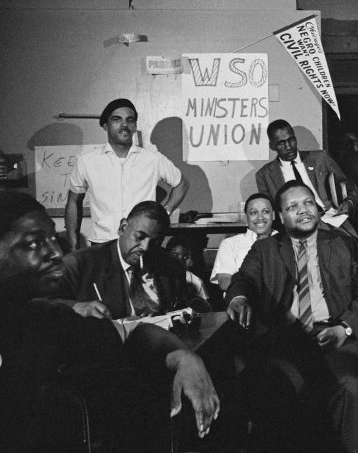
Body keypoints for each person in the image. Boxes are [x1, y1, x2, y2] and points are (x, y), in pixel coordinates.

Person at [0, 191, 219, 452]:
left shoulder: (45, 321)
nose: (56, 252)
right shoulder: (83, 264)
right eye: (34, 243)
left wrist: (184, 358)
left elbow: (133, 333)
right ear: (123, 227)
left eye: (53, 238)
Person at [226, 180, 358, 453]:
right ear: (280, 217)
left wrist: (345, 329)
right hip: (284, 341)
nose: (303, 210)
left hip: (335, 338)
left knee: (350, 385)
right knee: (279, 386)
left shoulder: (343, 244)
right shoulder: (265, 249)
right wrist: (239, 297)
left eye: (308, 203)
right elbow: (243, 279)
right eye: (293, 207)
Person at [65, 98, 189, 249]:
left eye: (130, 120)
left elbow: (181, 183)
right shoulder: (87, 161)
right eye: (117, 119)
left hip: (142, 242)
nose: (124, 125)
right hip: (103, 243)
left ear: (135, 126)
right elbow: (73, 202)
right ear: (105, 125)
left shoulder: (153, 159)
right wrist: (73, 244)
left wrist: (164, 213)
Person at [54, 201, 190, 319]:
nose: (146, 247)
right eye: (140, 237)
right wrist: (76, 307)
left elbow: (181, 311)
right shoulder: (79, 264)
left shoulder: (172, 267)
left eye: (155, 242)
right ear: (123, 227)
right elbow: (43, 304)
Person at [255, 119, 358, 221]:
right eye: (281, 143)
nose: (289, 147)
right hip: (296, 226)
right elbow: (269, 210)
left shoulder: (320, 158)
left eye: (291, 140)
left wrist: (349, 203)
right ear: (272, 146)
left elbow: (350, 186)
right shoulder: (264, 175)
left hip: (332, 218)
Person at [209, 192, 277, 293]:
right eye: (253, 213)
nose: (260, 217)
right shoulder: (230, 244)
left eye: (266, 211)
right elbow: (224, 281)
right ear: (246, 217)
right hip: (243, 301)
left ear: (274, 215)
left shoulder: (285, 241)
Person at [166, 235, 210, 303]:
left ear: (191, 262)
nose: (180, 261)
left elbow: (204, 306)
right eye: (175, 256)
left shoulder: (196, 281)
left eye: (185, 257)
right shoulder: (162, 278)